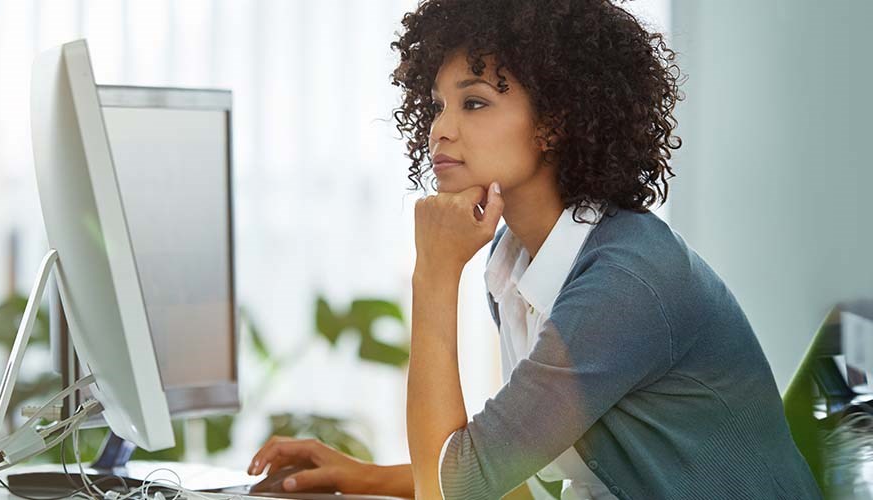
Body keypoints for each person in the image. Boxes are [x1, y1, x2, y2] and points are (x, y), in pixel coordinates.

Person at [246, 0, 822, 498]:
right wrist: (363, 477)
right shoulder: (518, 263)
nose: (439, 129)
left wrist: (435, 274)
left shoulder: (626, 281)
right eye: (438, 103)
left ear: (555, 122)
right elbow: (519, 471)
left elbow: (452, 495)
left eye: (473, 103)